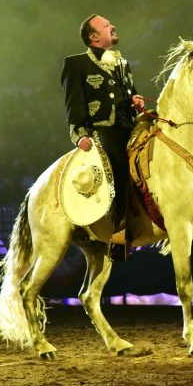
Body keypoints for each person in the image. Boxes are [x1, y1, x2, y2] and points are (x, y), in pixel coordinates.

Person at [61, 14, 146, 238]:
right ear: (93, 37)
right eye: (107, 25)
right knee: (119, 161)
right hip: (104, 128)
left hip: (130, 123)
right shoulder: (76, 64)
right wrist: (79, 134)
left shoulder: (122, 62)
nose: (113, 26)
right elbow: (74, 104)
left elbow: (130, 93)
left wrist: (136, 100)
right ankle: (120, 225)